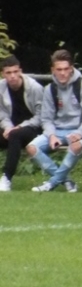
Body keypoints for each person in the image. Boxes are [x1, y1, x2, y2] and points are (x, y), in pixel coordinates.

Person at [26, 50, 82, 192]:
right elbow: (46, 119)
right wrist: (51, 135)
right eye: (59, 70)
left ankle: (51, 183)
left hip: (81, 131)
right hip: (58, 131)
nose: (63, 73)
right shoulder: (50, 89)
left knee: (76, 146)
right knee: (32, 147)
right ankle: (67, 181)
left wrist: (79, 133)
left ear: (71, 68)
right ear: (53, 70)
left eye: (66, 69)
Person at [0, 55, 44, 191]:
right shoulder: (1, 88)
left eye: (15, 72)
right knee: (13, 135)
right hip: (11, 129)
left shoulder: (34, 88)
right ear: (3, 74)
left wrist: (19, 127)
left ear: (20, 71)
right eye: (8, 73)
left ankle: (7, 178)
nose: (12, 76)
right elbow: (2, 114)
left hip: (33, 128)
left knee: (15, 135)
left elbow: (41, 116)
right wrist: (8, 127)